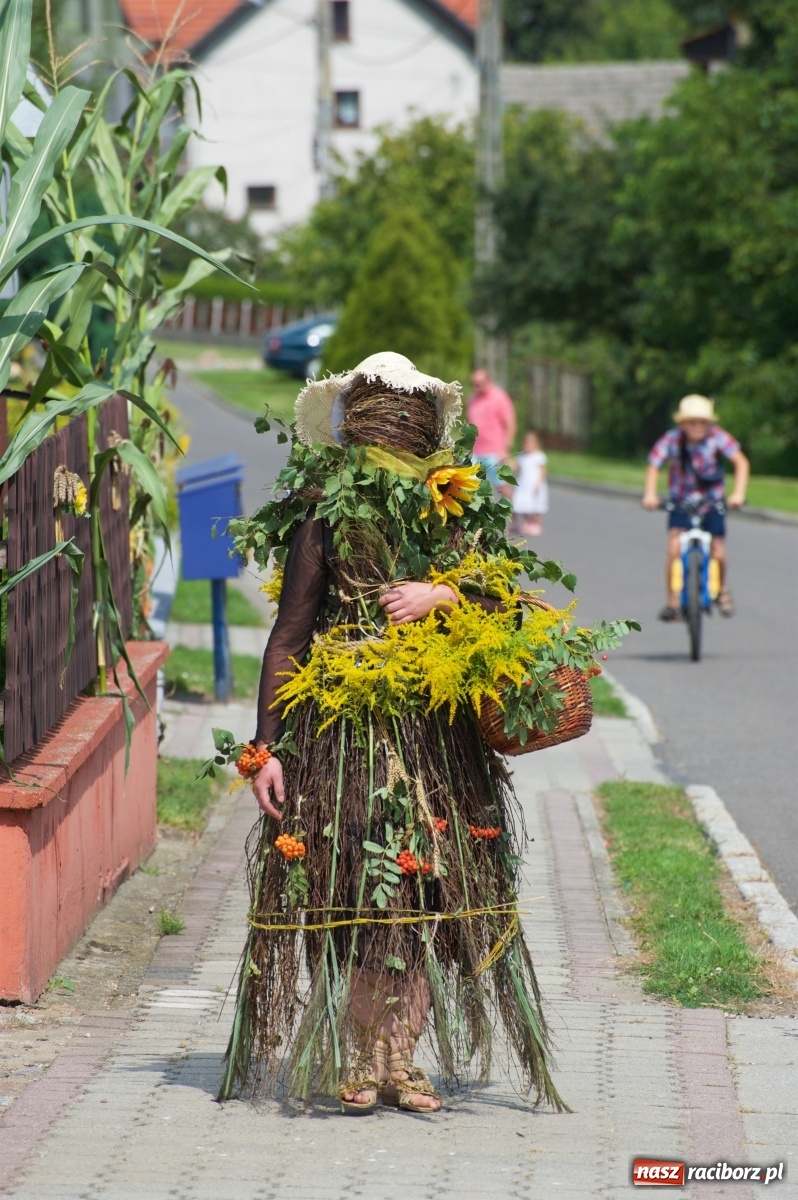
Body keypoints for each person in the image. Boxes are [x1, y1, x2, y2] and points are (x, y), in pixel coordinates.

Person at [221, 351, 569, 1117]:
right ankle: (355, 1052)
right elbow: (289, 634)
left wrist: (440, 592)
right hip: (341, 728)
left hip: (432, 735)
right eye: (385, 415)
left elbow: (506, 604)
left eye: (407, 419)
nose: (397, 431)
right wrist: (266, 749)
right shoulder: (325, 510)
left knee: (424, 889)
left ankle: (402, 1058)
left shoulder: (452, 510)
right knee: (350, 883)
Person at [642, 394, 749, 620]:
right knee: (673, 546)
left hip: (712, 502)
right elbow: (654, 463)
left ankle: (720, 589)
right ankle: (672, 601)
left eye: (703, 422)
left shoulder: (718, 438)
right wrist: (650, 494)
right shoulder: (672, 440)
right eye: (692, 422)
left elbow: (741, 462)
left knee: (718, 549)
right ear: (682, 423)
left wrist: (738, 494)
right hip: (681, 501)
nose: (698, 427)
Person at [467, 366, 516, 493]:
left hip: (494, 451)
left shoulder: (499, 397)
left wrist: (505, 449)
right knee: (470, 487)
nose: (476, 387)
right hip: (475, 452)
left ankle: (512, 511)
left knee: (502, 486)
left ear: (488, 381)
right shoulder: (472, 399)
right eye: (474, 384)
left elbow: (510, 424)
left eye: (479, 384)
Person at [512, 430, 549, 537]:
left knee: (536, 505)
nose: (527, 446)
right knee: (522, 504)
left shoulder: (539, 456)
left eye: (530, 443)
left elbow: (543, 472)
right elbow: (515, 466)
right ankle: (528, 522)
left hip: (534, 485)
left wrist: (539, 484)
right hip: (523, 485)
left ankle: (536, 523)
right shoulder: (522, 457)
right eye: (525, 443)